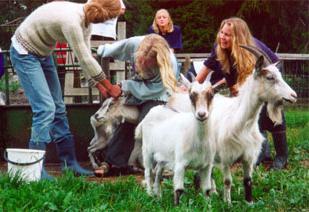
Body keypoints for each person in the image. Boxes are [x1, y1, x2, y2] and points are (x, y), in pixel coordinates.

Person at [9, 0, 122, 179]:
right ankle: (34, 170)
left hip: (44, 53)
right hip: (24, 52)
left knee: (59, 108)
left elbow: (83, 56)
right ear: (104, 17)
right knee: (46, 109)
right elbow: (85, 59)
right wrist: (109, 85)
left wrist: (99, 86)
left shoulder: (86, 22)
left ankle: (69, 164)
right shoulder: (71, 21)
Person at [195, 17, 289, 170]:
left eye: (227, 35)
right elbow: (203, 73)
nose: (222, 37)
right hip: (238, 77)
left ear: (237, 37)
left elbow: (249, 82)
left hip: (269, 74)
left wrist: (223, 89)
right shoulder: (219, 47)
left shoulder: (250, 50)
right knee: (247, 112)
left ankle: (282, 157)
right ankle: (261, 153)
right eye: (221, 32)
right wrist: (192, 87)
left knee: (269, 111)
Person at [94, 34, 179, 176]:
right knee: (127, 121)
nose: (142, 65)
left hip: (157, 94)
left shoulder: (169, 65)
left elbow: (151, 91)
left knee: (148, 123)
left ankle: (163, 164)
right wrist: (100, 51)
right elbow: (112, 49)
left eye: (148, 64)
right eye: (141, 60)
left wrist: (124, 86)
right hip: (137, 87)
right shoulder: (135, 44)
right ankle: (113, 162)